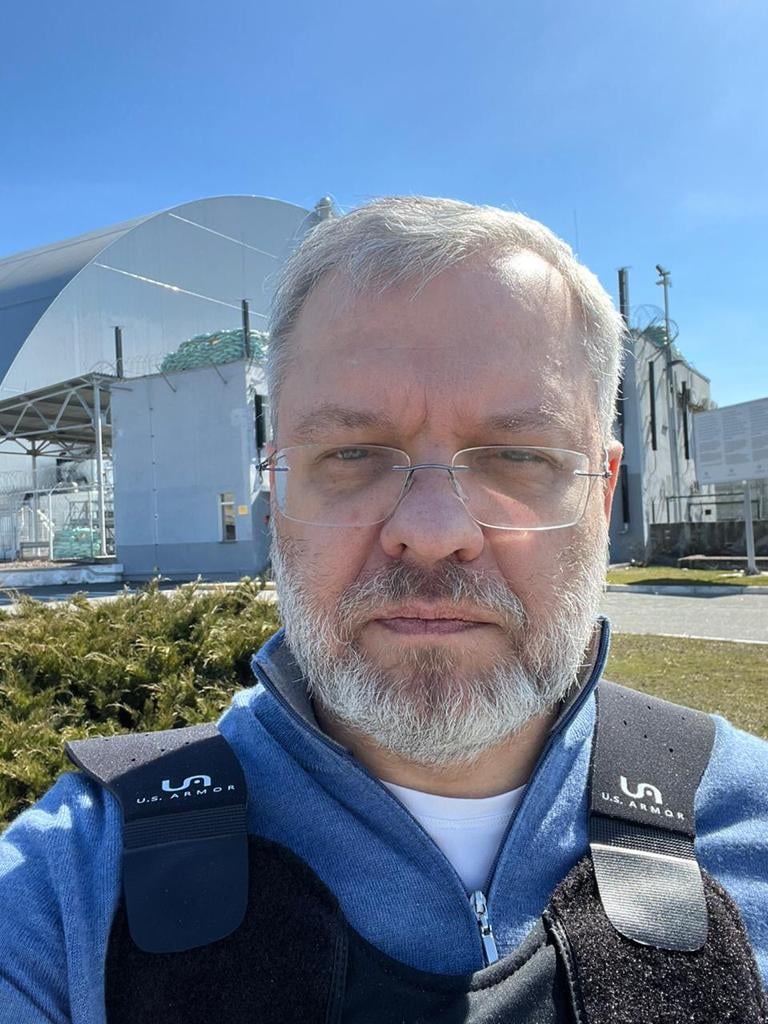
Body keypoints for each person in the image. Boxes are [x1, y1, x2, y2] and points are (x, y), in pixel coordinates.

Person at [1, 196, 766, 1023]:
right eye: (353, 453)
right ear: (276, 490)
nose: (432, 533)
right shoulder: (72, 893)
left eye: (517, 456)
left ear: (602, 492)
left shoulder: (747, 825)